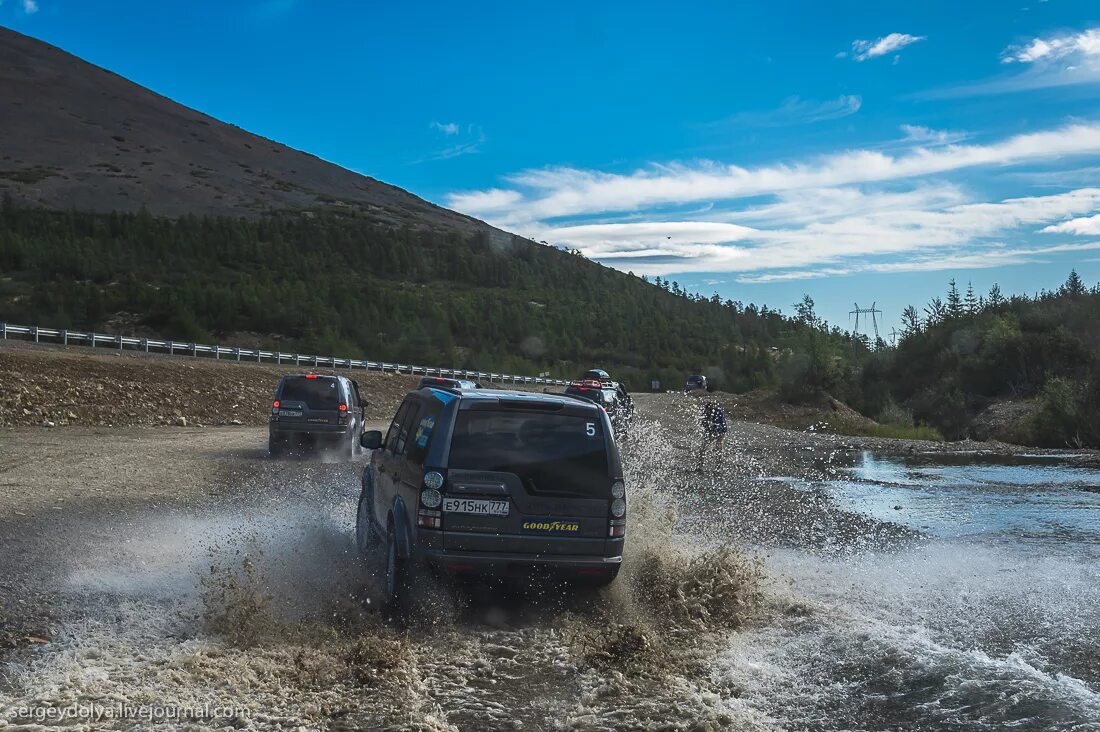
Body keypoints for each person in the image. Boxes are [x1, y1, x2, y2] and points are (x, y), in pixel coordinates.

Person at [695, 396, 728, 472]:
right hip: (711, 430)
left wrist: (714, 432)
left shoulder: (718, 412)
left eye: (709, 410)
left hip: (721, 431)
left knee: (718, 447)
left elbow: (722, 425)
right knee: (703, 447)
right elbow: (703, 423)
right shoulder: (705, 412)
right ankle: (700, 466)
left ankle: (718, 468)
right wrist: (707, 431)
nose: (707, 412)